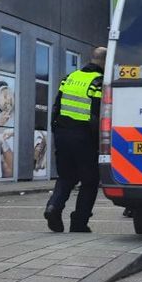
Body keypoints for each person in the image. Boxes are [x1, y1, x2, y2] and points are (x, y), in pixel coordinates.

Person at [44, 47, 105, 233]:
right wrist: (98, 143)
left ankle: (53, 206)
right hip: (84, 136)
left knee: (66, 176)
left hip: (62, 133)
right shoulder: (98, 82)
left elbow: (56, 106)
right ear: (104, 61)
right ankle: (79, 222)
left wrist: (56, 130)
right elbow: (96, 115)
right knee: (90, 181)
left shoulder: (69, 78)